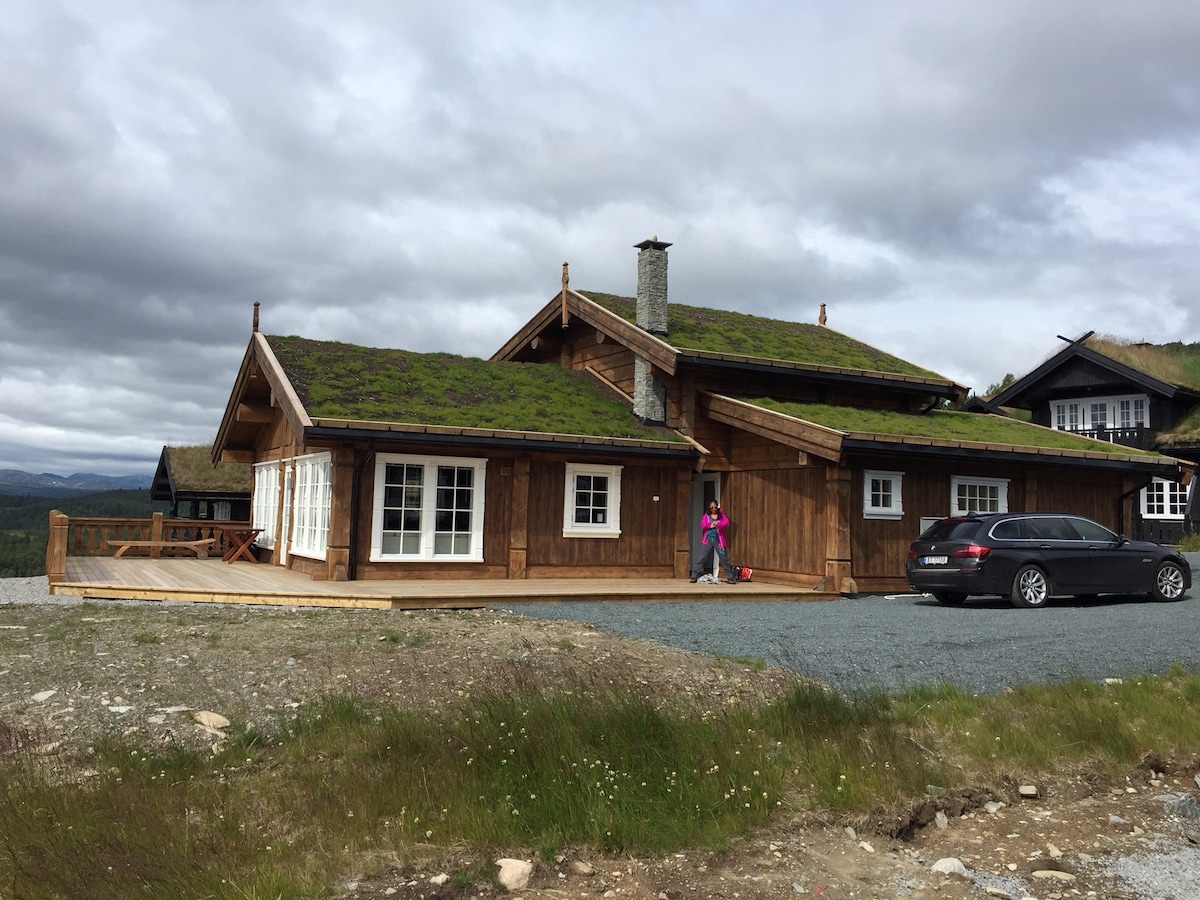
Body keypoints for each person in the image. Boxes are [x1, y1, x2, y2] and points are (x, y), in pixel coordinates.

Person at [689, 501, 740, 583]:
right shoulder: (706, 516)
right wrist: (710, 525)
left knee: (724, 558)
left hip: (719, 541)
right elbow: (703, 525)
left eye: (715, 507)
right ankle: (694, 576)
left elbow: (726, 523)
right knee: (702, 557)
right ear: (709, 508)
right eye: (712, 508)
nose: (714, 509)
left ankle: (730, 577)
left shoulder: (721, 516)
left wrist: (718, 524)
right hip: (708, 539)